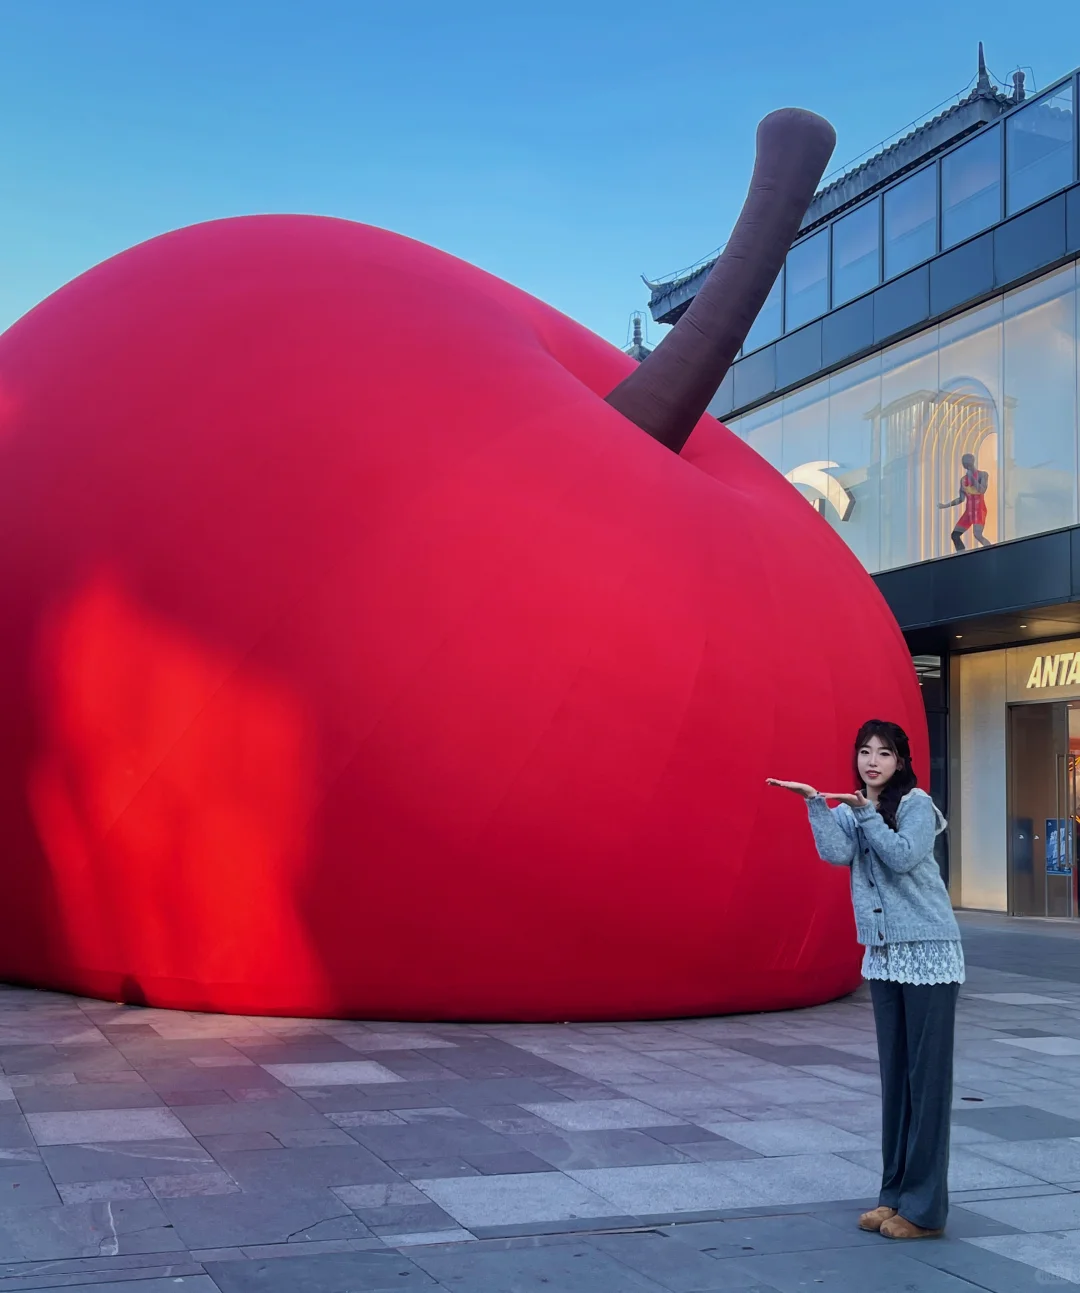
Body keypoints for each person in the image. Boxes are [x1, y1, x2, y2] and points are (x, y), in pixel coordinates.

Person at [767, 719, 963, 1241]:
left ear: (901, 760)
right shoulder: (856, 808)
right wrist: (815, 803)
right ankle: (894, 1195)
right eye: (864, 752)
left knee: (927, 1083)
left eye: (884, 753)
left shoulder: (916, 803)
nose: (872, 761)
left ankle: (925, 1210)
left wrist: (866, 813)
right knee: (896, 1081)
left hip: (929, 953)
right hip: (884, 954)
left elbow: (903, 856)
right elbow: (835, 852)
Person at [939, 453, 990, 551]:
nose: (966, 466)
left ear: (972, 462)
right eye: (965, 464)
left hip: (979, 511)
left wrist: (972, 478)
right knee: (955, 535)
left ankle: (991, 551)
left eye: (968, 464)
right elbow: (961, 499)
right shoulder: (963, 480)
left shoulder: (983, 474)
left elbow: (982, 490)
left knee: (978, 535)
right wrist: (945, 505)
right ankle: (962, 554)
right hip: (969, 513)